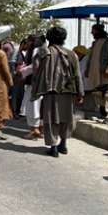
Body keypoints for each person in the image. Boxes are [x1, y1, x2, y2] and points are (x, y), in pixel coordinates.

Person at [32, 27, 84, 157]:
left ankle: (53, 147)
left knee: (51, 119)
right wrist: (80, 93)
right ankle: (63, 145)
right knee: (66, 118)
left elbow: (36, 70)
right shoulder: (72, 54)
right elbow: (78, 75)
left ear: (49, 38)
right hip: (68, 91)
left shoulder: (45, 52)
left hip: (51, 92)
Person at [84, 23, 108, 118]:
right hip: (95, 72)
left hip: (106, 73)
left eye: (93, 31)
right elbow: (90, 58)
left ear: (99, 31)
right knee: (98, 92)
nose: (92, 33)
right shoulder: (94, 43)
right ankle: (102, 110)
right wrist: (87, 70)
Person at [20, 35, 47, 139]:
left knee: (33, 107)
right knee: (38, 107)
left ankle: (34, 130)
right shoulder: (43, 49)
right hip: (41, 83)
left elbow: (35, 66)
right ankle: (39, 129)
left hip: (34, 83)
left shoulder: (36, 50)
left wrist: (22, 71)